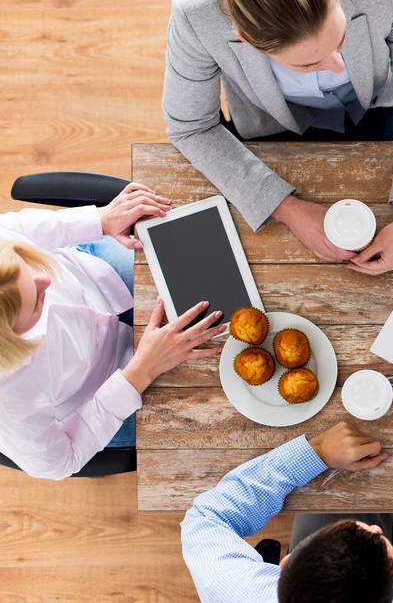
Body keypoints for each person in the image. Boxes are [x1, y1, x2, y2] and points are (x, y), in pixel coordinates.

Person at [163, 0, 393, 275]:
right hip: (275, 118)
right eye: (307, 64)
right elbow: (190, 128)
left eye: (340, 40)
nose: (337, 66)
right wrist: (288, 210)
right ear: (246, 39)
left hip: (379, 97)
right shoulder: (194, 13)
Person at [180, 392, 393, 602]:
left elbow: (206, 518)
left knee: (339, 478)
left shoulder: (237, 591)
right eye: (376, 538)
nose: (371, 528)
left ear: (285, 566)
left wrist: (315, 453)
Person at [0, 183, 226, 480]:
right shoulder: (9, 405)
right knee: (214, 416)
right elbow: (59, 462)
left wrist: (101, 220)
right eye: (36, 302)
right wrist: (141, 371)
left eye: (28, 264)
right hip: (108, 386)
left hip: (98, 276)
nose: (47, 281)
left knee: (214, 266)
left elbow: (16, 227)